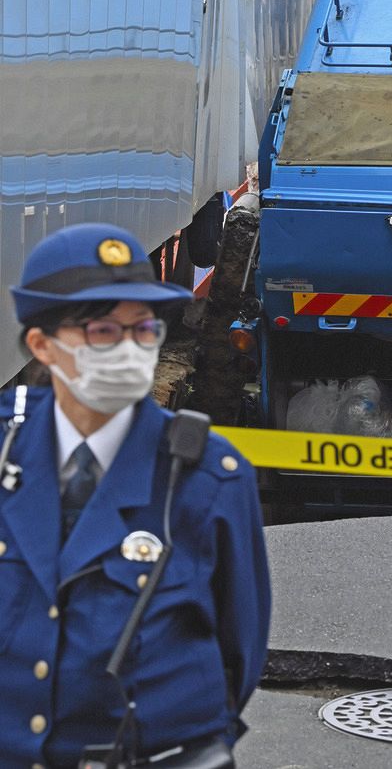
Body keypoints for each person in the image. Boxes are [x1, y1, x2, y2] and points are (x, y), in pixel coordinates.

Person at [1, 222, 271, 769]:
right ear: (42, 346)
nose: (129, 350)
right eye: (103, 332)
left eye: (143, 329)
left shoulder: (208, 478)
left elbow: (238, 654)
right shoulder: (7, 449)